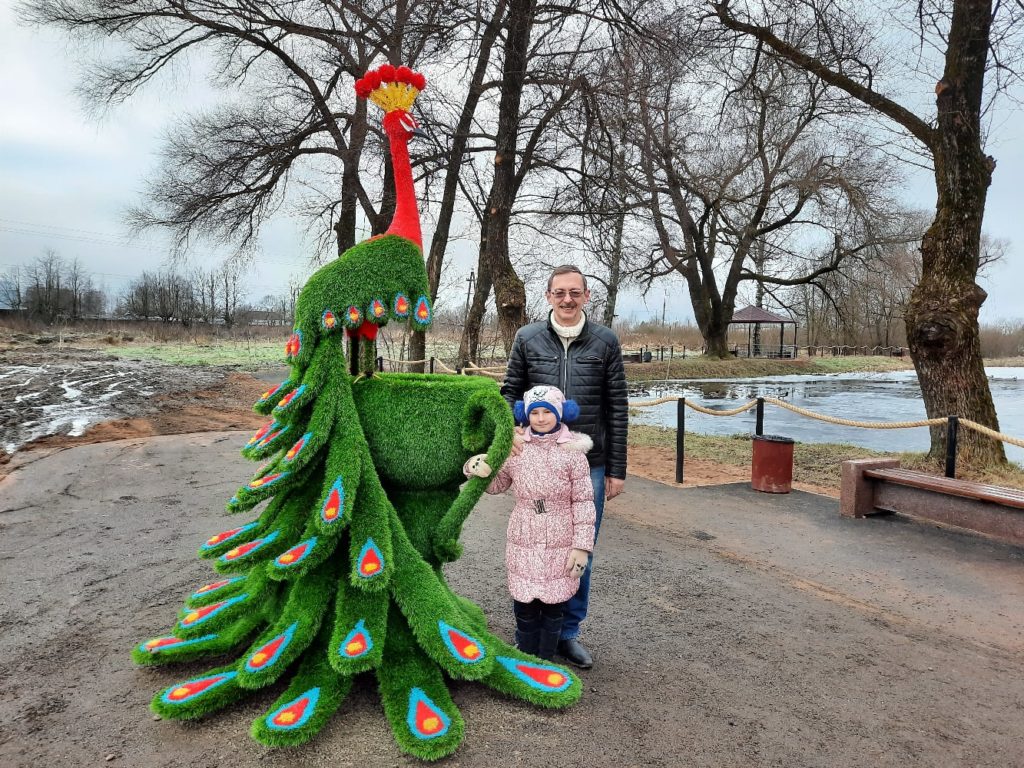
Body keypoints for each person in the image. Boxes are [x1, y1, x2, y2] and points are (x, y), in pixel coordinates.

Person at [500, 264, 627, 670]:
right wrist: (509, 435)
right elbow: (508, 393)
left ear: (587, 296)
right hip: (536, 458)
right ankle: (532, 631)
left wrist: (617, 468)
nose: (568, 299)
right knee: (535, 544)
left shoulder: (605, 341)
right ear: (548, 296)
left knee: (577, 549)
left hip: (587, 460)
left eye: (575, 293)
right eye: (560, 293)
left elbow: (617, 406)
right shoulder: (527, 338)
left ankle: (568, 633)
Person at [464, 385, 596, 660]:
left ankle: (546, 658)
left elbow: (583, 503)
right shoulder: (517, 449)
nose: (540, 418)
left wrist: (582, 547)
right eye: (534, 412)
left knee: (554, 606)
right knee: (524, 602)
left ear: (559, 413)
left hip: (561, 535)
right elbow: (498, 483)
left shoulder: (574, 454)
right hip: (523, 533)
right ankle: (524, 655)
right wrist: (479, 468)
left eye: (547, 411)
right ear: (525, 414)